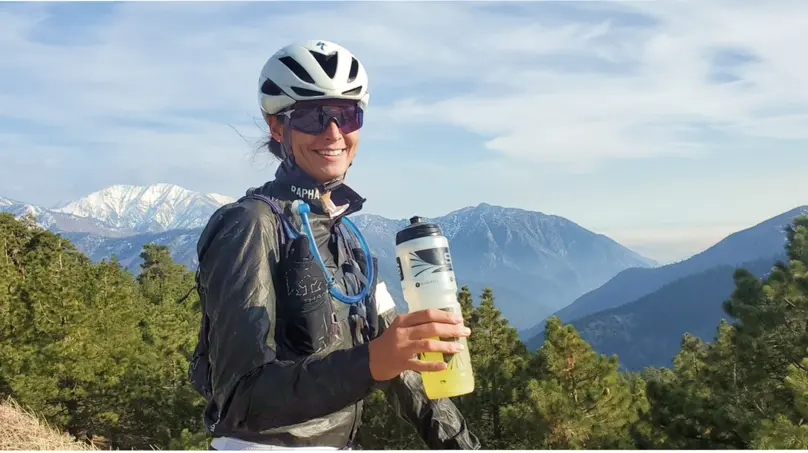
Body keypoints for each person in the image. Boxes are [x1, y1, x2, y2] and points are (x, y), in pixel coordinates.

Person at [188, 40, 481, 450]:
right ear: (277, 127)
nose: (333, 132)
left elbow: (407, 368)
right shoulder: (252, 225)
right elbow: (241, 397)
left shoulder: (348, 238)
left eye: (347, 114)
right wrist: (372, 361)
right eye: (312, 116)